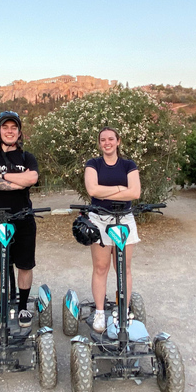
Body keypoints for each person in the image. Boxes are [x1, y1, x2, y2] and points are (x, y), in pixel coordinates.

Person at [0, 111, 40, 330]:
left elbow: (32, 178)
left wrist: (2, 176)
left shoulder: (27, 157)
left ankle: (23, 306)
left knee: (25, 264)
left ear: (19, 132)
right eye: (5, 128)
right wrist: (17, 181)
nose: (10, 131)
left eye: (14, 128)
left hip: (23, 218)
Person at [83, 126, 141, 332]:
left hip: (124, 219)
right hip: (99, 219)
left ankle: (122, 310)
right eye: (103, 140)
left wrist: (106, 192)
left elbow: (135, 192)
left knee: (123, 268)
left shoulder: (128, 165)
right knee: (101, 267)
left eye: (111, 139)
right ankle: (100, 312)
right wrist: (120, 189)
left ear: (118, 141)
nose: (107, 143)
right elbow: (92, 190)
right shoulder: (93, 164)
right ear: (99, 143)